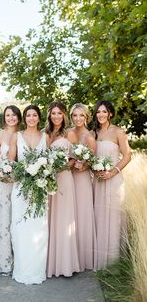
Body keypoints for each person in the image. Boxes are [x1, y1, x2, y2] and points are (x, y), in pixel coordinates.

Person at [8, 105, 48, 284]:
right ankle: (22, 269)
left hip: (40, 187)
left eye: (35, 115)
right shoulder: (17, 136)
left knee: (38, 227)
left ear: (39, 118)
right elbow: (10, 161)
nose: (31, 118)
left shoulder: (45, 136)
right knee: (20, 227)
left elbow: (48, 161)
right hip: (21, 188)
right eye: (28, 115)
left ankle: (37, 269)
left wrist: (43, 172)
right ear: (24, 118)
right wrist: (20, 172)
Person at [91, 100, 131, 269]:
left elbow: (128, 155)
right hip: (97, 181)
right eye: (98, 112)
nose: (101, 115)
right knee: (98, 215)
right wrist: (94, 170)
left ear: (110, 114)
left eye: (104, 112)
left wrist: (113, 172)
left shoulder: (118, 132)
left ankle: (114, 261)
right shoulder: (93, 133)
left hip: (113, 180)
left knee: (113, 217)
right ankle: (99, 259)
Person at [46, 101, 80, 277]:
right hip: (46, 180)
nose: (56, 116)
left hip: (64, 179)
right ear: (49, 115)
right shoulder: (45, 133)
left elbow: (74, 159)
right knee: (49, 219)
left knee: (63, 218)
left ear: (64, 115)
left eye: (59, 113)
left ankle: (65, 264)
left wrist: (62, 167)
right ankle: (49, 262)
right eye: (53, 113)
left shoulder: (70, 133)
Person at [0, 105, 22, 277]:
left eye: (14, 115)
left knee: (17, 221)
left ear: (18, 117)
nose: (11, 118)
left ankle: (20, 261)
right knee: (4, 220)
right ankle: (3, 262)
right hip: (2, 183)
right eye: (8, 115)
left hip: (20, 183)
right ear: (4, 118)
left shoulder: (22, 135)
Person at [70, 103, 97, 271]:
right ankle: (71, 254)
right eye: (75, 115)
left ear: (86, 117)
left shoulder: (89, 136)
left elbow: (92, 161)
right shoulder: (69, 133)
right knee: (71, 215)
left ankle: (84, 257)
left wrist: (83, 165)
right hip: (69, 177)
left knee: (82, 213)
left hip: (82, 179)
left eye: (81, 115)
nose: (78, 119)